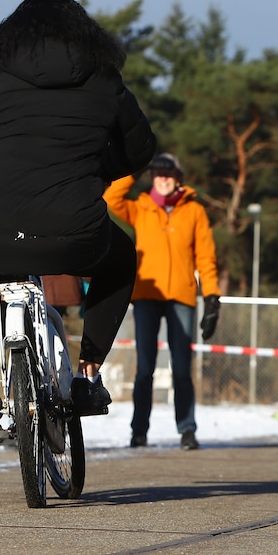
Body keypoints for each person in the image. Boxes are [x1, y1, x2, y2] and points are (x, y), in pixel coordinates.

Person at [0, 0, 157, 455]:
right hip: (73, 231)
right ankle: (86, 374)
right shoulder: (103, 78)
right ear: (84, 35)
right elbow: (141, 150)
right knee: (119, 260)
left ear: (13, 35)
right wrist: (91, 169)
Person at [104, 153, 220, 451]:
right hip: (146, 295)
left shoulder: (194, 211)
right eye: (157, 173)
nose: (163, 178)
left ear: (178, 177)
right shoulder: (140, 207)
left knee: (182, 368)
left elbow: (205, 257)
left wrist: (212, 296)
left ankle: (187, 430)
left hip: (181, 296)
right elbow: (112, 196)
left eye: (168, 173)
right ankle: (139, 431)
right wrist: (137, 164)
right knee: (145, 369)